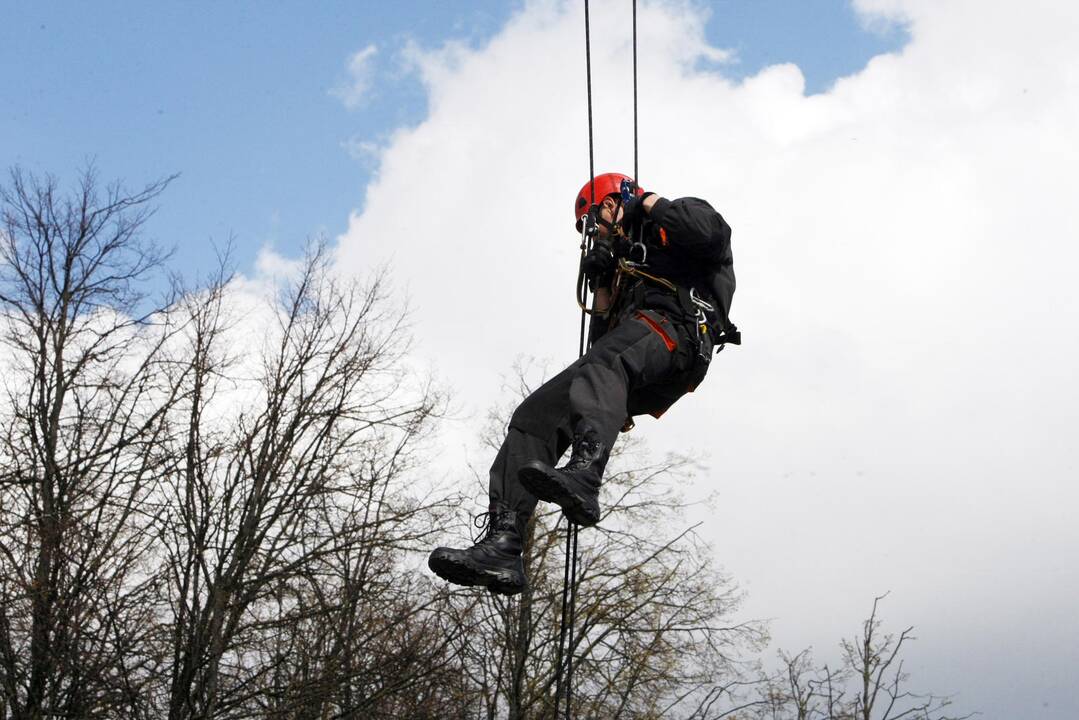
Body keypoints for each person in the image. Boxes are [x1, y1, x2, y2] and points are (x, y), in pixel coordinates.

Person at [428, 172, 738, 595]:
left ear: (616, 203)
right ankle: (504, 541)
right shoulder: (622, 265)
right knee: (533, 418)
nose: (595, 234)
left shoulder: (675, 218)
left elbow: (713, 235)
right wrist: (602, 285)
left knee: (604, 363)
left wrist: (646, 201)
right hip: (633, 356)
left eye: (597, 220)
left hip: (678, 332)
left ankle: (586, 473)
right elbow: (601, 346)